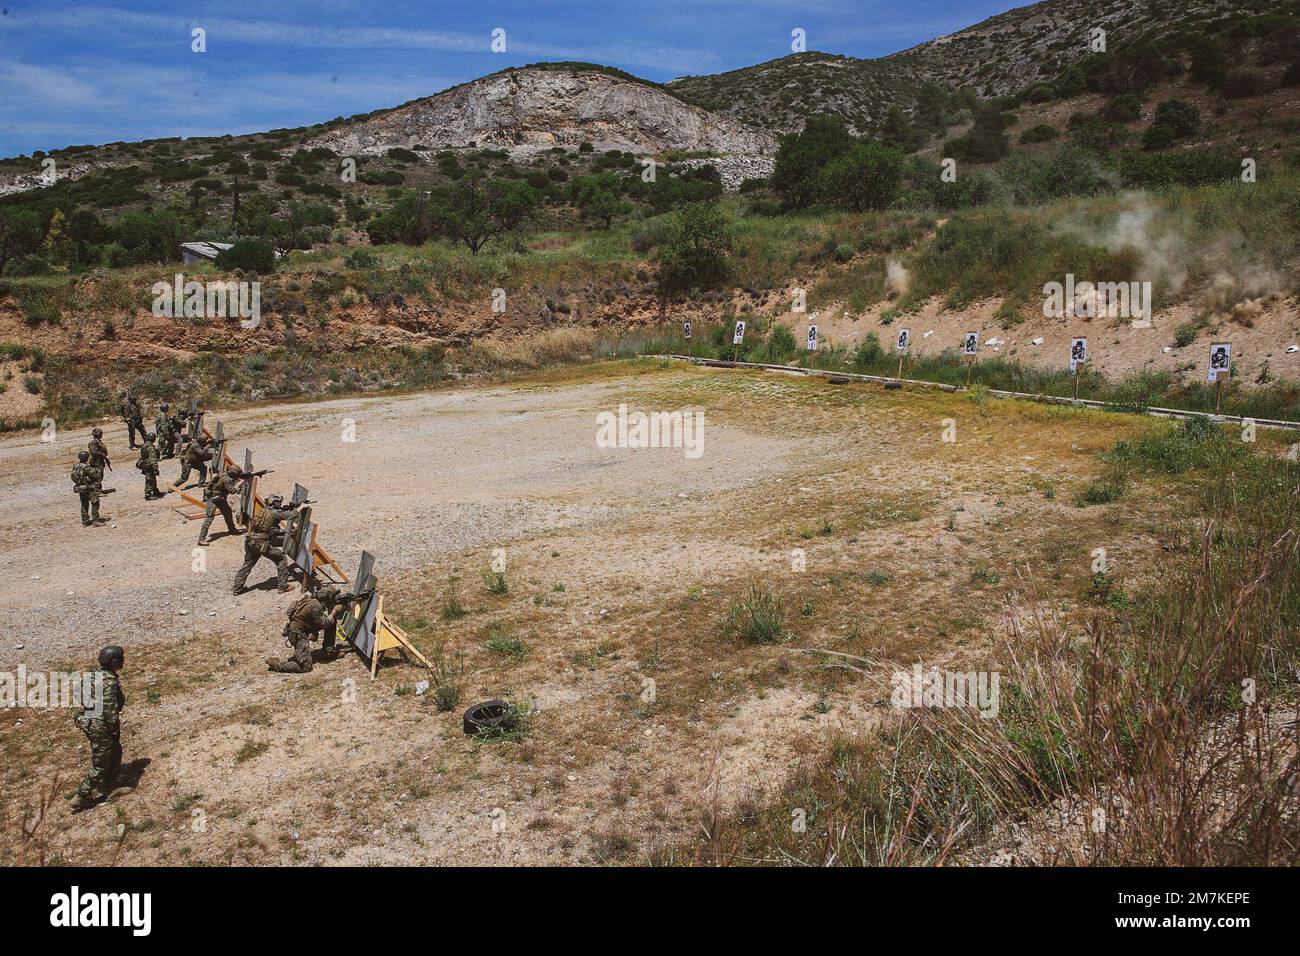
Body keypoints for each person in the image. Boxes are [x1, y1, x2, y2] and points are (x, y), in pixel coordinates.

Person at [71, 645, 126, 812]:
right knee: (100, 763)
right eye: (121, 658)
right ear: (114, 661)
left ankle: (109, 784)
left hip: (87, 721)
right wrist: (113, 730)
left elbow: (77, 693)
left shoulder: (92, 676)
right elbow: (110, 712)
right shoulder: (109, 682)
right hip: (100, 726)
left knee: (115, 751)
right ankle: (81, 795)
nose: (123, 661)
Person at [267, 585, 347, 673]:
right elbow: (324, 623)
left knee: (332, 622)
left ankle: (328, 652)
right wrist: (335, 611)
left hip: (305, 627)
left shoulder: (313, 601)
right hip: (298, 634)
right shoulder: (315, 607)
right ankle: (277, 665)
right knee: (305, 667)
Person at [232, 494, 297, 594]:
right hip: (260, 544)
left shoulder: (262, 511)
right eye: (278, 503)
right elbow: (291, 515)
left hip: (251, 542)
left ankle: (237, 588)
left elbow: (271, 526)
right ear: (275, 503)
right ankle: (283, 586)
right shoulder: (274, 513)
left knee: (247, 564)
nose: (280, 504)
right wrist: (301, 507)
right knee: (281, 559)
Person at [197, 465, 246, 545]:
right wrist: (239, 483)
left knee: (228, 512)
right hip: (212, 499)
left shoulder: (223, 474)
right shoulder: (226, 479)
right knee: (209, 518)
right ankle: (201, 539)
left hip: (219, 498)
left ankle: (232, 530)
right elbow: (232, 491)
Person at [71, 450, 105, 526]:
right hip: (88, 488)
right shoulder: (86, 467)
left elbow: (72, 477)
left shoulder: (76, 466)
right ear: (86, 458)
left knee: (84, 504)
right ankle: (95, 520)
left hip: (80, 488)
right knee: (95, 502)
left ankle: (85, 521)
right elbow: (95, 476)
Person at [136, 432, 163, 500]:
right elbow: (153, 459)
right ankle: (148, 494)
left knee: (152, 478)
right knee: (150, 479)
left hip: (145, 464)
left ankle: (155, 491)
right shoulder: (150, 447)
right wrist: (156, 469)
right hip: (149, 465)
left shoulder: (144, 445)